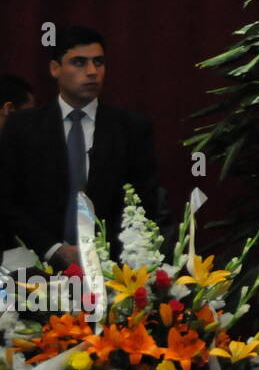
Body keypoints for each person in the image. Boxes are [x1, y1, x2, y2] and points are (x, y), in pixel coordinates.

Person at [0, 27, 161, 268]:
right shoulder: (22, 127)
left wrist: (105, 253)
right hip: (33, 265)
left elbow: (143, 202)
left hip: (110, 268)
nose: (92, 72)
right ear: (55, 68)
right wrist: (54, 249)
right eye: (79, 62)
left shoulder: (131, 128)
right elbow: (6, 200)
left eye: (99, 62)